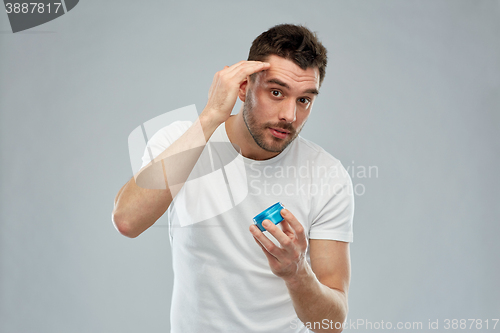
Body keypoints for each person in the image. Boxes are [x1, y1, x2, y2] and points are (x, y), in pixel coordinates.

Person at [112, 24, 354, 333]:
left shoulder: (327, 176)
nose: (290, 115)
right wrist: (212, 114)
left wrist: (296, 272)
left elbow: (331, 324)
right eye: (276, 92)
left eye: (304, 100)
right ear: (243, 88)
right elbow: (127, 221)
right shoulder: (181, 142)